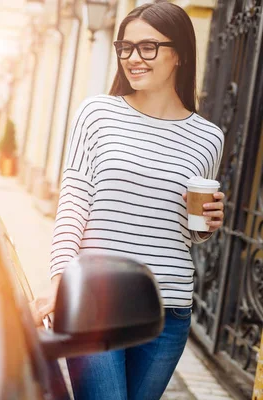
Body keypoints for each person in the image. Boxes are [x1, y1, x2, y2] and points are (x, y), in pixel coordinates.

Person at [29, 2, 226, 399]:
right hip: (95, 301)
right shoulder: (97, 113)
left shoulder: (209, 138)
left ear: (180, 55)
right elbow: (73, 206)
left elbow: (184, 229)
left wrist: (207, 226)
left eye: (148, 47)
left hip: (167, 310)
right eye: (126, 47)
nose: (133, 58)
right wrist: (59, 281)